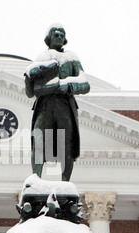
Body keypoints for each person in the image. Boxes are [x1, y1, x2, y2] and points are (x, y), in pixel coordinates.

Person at [25, 24, 90, 181]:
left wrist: (66, 85)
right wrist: (28, 79)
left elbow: (85, 83)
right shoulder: (41, 58)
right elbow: (30, 92)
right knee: (38, 141)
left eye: (62, 35)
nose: (60, 37)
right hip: (44, 106)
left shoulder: (71, 58)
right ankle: (36, 180)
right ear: (49, 39)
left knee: (66, 145)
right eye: (56, 35)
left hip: (64, 105)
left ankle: (65, 181)